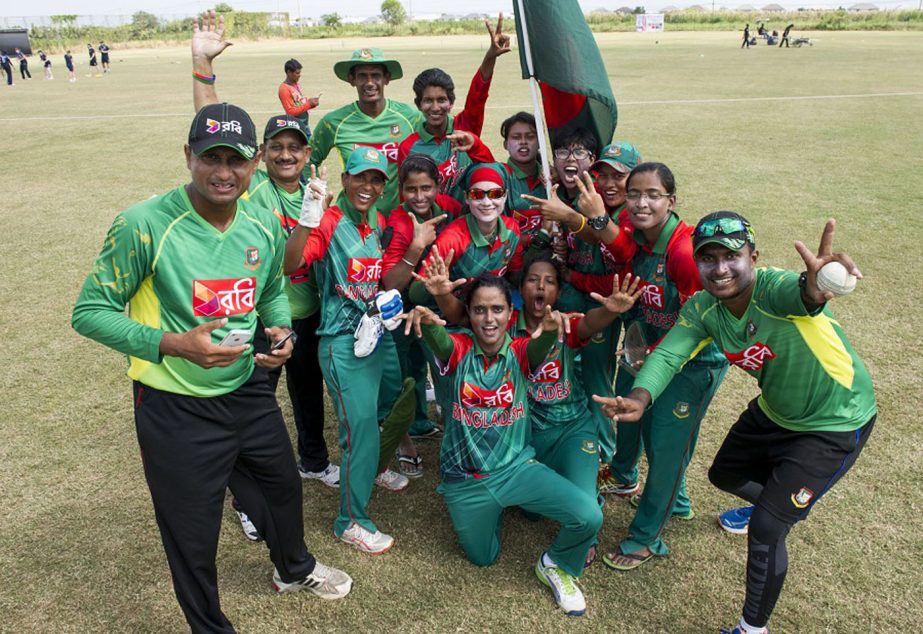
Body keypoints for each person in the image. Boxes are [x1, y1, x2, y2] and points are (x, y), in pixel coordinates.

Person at [71, 102, 354, 633]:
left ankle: (294, 568)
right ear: (188, 157)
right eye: (211, 158)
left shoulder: (263, 220)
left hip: (246, 388)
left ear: (254, 164)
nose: (224, 173)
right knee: (193, 533)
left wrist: (281, 331)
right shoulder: (143, 224)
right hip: (174, 404)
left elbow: (271, 289)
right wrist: (174, 344)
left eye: (237, 160)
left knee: (282, 487)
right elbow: (89, 313)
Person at [594, 212, 875, 634]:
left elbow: (802, 295)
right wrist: (639, 396)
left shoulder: (773, 287)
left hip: (834, 421)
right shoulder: (706, 308)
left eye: (732, 256)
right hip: (776, 412)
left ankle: (751, 627)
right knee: (724, 473)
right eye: (708, 258)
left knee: (767, 528)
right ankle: (774, 502)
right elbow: (670, 354)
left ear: (753, 256)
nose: (720, 268)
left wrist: (814, 288)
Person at [192, 11, 340, 501]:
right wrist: (202, 70)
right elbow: (210, 133)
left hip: (309, 310)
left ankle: (314, 460)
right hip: (259, 316)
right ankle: (247, 499)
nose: (285, 155)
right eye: (275, 147)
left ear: (306, 154)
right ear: (260, 156)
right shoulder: (250, 192)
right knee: (250, 405)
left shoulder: (316, 190)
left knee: (307, 388)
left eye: (294, 148)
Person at [405, 275, 603, 616]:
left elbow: (539, 349)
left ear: (510, 314)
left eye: (497, 309)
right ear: (468, 313)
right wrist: (426, 319)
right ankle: (493, 511)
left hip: (516, 470)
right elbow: (441, 342)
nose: (489, 318)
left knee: (589, 516)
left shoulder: (520, 351)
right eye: (480, 310)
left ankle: (555, 564)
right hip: (466, 482)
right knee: (483, 558)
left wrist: (554, 330)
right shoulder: (460, 349)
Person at [594, 163, 729, 571]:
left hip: (692, 364)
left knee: (666, 449)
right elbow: (618, 250)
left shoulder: (686, 253)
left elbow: (701, 327)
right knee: (639, 427)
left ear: (672, 200)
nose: (640, 202)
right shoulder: (638, 240)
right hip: (650, 353)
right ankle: (678, 502)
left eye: (652, 195)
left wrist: (655, 354)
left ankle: (645, 538)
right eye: (634, 194)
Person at [284, 146, 413, 554]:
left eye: (376, 179)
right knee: (359, 434)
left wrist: (384, 302)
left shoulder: (370, 223)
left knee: (392, 403)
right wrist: (308, 218)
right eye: (360, 177)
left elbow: (368, 281)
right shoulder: (329, 221)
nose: (369, 186)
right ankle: (351, 521)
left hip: (373, 334)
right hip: (342, 345)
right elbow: (290, 264)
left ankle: (371, 469)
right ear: (345, 180)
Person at [510, 255, 642, 558]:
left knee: (582, 509)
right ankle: (559, 483)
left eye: (550, 281)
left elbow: (587, 324)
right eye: (533, 279)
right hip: (526, 433)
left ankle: (583, 491)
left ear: (558, 292)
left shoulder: (565, 323)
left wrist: (610, 310)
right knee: (529, 510)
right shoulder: (505, 325)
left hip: (572, 427)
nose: (541, 286)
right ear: (522, 287)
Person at [381, 154, 463, 473]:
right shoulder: (397, 222)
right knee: (404, 373)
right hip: (399, 310)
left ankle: (445, 431)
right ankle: (407, 436)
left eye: (426, 188)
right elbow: (390, 282)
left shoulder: (449, 208)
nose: (419, 196)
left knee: (443, 370)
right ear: (401, 190)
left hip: (434, 308)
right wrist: (416, 247)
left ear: (437, 186)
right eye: (411, 189)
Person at [397, 15, 510, 186]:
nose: (435, 107)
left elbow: (478, 96)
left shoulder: (464, 128)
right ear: (418, 104)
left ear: (451, 102)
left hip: (470, 213)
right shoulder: (408, 147)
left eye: (441, 100)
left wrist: (490, 57)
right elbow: (406, 194)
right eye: (428, 100)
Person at [308, 46, 421, 216]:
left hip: (399, 220)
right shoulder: (333, 122)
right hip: (352, 220)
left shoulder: (410, 117)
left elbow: (443, 135)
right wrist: (310, 192)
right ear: (352, 79)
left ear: (386, 78)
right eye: (362, 76)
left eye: (375, 75)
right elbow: (307, 162)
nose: (369, 83)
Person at [501, 112, 547, 247]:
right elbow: (497, 236)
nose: (523, 142)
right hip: (513, 258)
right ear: (506, 144)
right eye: (516, 137)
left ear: (540, 142)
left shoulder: (551, 177)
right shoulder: (501, 177)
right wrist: (539, 236)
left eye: (530, 136)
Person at [278, 58, 319, 131]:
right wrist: (308, 104)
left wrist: (312, 104)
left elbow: (299, 103)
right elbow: (290, 112)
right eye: (297, 73)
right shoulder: (284, 89)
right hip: (296, 128)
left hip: (304, 125)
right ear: (289, 72)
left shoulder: (296, 84)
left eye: (300, 72)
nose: (300, 75)